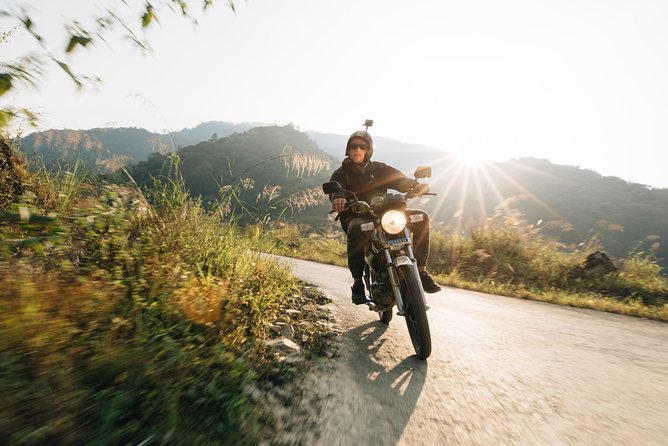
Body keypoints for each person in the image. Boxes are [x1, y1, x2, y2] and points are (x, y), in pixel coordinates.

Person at [328, 128, 442, 304]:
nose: (357, 149)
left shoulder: (379, 168)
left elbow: (399, 179)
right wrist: (338, 197)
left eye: (362, 147)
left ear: (369, 150)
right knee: (356, 228)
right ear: (348, 150)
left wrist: (415, 185)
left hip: (385, 214)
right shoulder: (341, 173)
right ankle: (358, 284)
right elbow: (336, 189)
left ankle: (420, 270)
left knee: (422, 217)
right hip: (360, 216)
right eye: (353, 146)